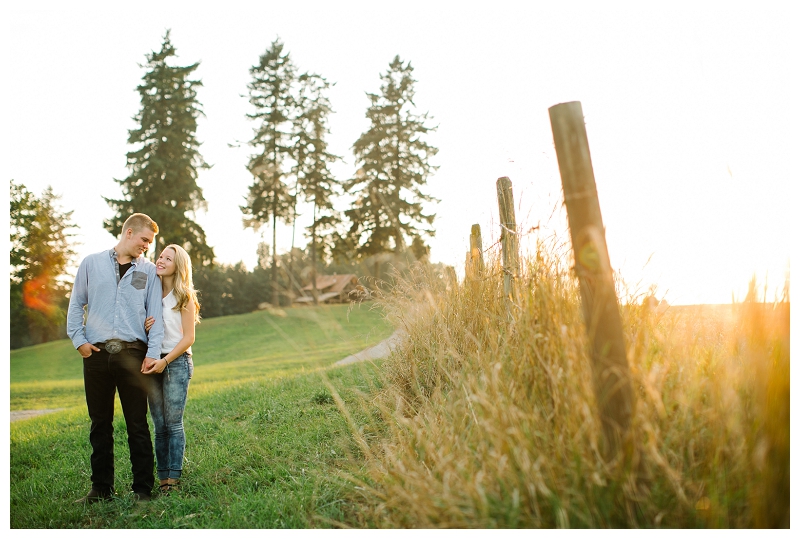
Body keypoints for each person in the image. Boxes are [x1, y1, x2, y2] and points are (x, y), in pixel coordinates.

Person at [67, 213, 164, 504]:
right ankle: (101, 489)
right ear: (129, 232)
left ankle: (142, 490)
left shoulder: (148, 272)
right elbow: (76, 304)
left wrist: (152, 353)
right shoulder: (90, 264)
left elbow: (155, 317)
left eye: (150, 242)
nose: (147, 246)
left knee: (137, 423)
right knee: (100, 423)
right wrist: (79, 341)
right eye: (145, 239)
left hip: (134, 355)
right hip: (96, 355)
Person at [142, 244, 199, 494]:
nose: (161, 260)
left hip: (176, 362)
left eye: (168, 258)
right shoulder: (150, 293)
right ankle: (162, 478)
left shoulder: (185, 296)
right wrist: (143, 325)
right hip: (153, 360)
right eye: (161, 255)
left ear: (178, 266)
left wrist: (165, 362)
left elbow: (188, 338)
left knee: (173, 424)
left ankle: (173, 481)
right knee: (159, 425)